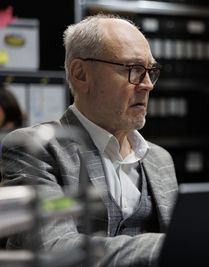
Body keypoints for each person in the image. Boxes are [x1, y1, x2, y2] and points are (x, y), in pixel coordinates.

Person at [0, 14, 178, 266]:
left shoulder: (160, 160)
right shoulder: (35, 148)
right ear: (81, 73)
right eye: (134, 70)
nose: (147, 84)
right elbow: (53, 249)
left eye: (150, 71)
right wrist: (175, 244)